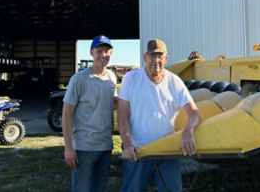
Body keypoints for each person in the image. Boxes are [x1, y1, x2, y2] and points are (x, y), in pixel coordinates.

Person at [118, 38, 200, 192]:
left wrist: (188, 130)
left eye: (160, 56)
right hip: (138, 150)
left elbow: (194, 113)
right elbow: (122, 116)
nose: (156, 61)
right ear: (145, 57)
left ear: (166, 58)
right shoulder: (131, 79)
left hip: (166, 151)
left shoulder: (175, 82)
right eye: (152, 56)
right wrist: (127, 144)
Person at [62, 35, 117, 192]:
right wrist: (68, 148)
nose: (103, 55)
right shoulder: (79, 79)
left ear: (111, 53)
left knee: (99, 188)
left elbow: (109, 104)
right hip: (83, 148)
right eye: (99, 51)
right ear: (91, 52)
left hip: (106, 146)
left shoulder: (111, 78)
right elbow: (66, 114)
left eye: (106, 51)